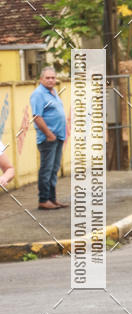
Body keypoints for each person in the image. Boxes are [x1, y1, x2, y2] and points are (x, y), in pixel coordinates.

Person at [30, 66, 67, 210]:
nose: (51, 80)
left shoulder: (53, 92)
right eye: (48, 78)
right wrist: (49, 134)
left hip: (58, 137)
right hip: (48, 138)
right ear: (41, 79)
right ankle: (44, 199)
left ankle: (52, 199)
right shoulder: (38, 94)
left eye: (53, 77)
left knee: (54, 169)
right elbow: (37, 117)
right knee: (46, 169)